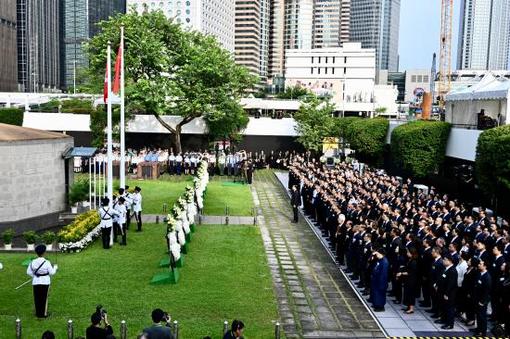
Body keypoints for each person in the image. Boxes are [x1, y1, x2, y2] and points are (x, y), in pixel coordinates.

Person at [26, 244, 58, 318]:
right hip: (45, 282)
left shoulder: (33, 262)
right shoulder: (47, 262)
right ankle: (44, 314)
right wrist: (55, 267)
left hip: (36, 282)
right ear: (44, 252)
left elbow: (28, 272)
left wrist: (35, 276)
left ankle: (38, 313)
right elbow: (52, 272)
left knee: (37, 298)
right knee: (44, 298)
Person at [435, 254, 458, 329]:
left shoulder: (452, 271)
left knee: (449, 309)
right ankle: (443, 319)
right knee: (444, 307)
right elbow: (441, 278)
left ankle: (449, 324)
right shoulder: (445, 268)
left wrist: (446, 294)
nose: (443, 261)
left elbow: (451, 284)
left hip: (449, 294)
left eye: (445, 260)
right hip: (442, 291)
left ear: (450, 261)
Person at [473, 259, 492, 336]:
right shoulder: (480, 274)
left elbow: (487, 291)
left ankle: (482, 332)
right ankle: (478, 329)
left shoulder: (487, 277)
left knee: (482, 316)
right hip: (477, 298)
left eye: (480, 264)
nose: (478, 265)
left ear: (485, 266)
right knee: (478, 315)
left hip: (482, 300)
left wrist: (482, 301)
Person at [400, 247, 419, 314]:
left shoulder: (414, 262)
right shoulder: (410, 260)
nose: (407, 253)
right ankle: (408, 306)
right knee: (407, 293)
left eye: (408, 252)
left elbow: (411, 272)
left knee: (411, 294)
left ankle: (411, 308)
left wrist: (401, 273)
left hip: (412, 280)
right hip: (408, 280)